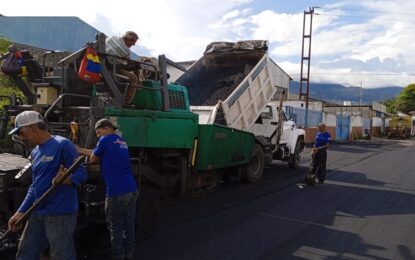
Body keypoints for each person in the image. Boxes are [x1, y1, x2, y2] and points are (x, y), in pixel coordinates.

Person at [7, 111, 86, 260]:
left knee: (61, 256)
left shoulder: (63, 145)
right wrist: (20, 213)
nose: (20, 137)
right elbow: (35, 185)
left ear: (32, 128)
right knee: (25, 254)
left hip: (59, 214)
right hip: (38, 212)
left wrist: (67, 179)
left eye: (21, 132)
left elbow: (82, 174)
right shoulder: (35, 151)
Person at [78, 118, 138, 260]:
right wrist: (80, 150)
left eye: (98, 133)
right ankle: (130, 254)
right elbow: (101, 153)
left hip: (116, 192)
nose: (98, 136)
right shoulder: (121, 142)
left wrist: (80, 152)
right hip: (132, 189)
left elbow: (93, 159)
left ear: (106, 128)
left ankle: (118, 256)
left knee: (115, 227)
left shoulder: (105, 140)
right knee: (129, 224)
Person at [106, 31, 140, 105]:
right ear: (128, 39)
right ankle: (127, 102)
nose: (133, 45)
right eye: (133, 42)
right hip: (112, 66)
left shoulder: (113, 37)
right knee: (134, 79)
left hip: (104, 62)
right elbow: (128, 62)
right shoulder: (126, 50)